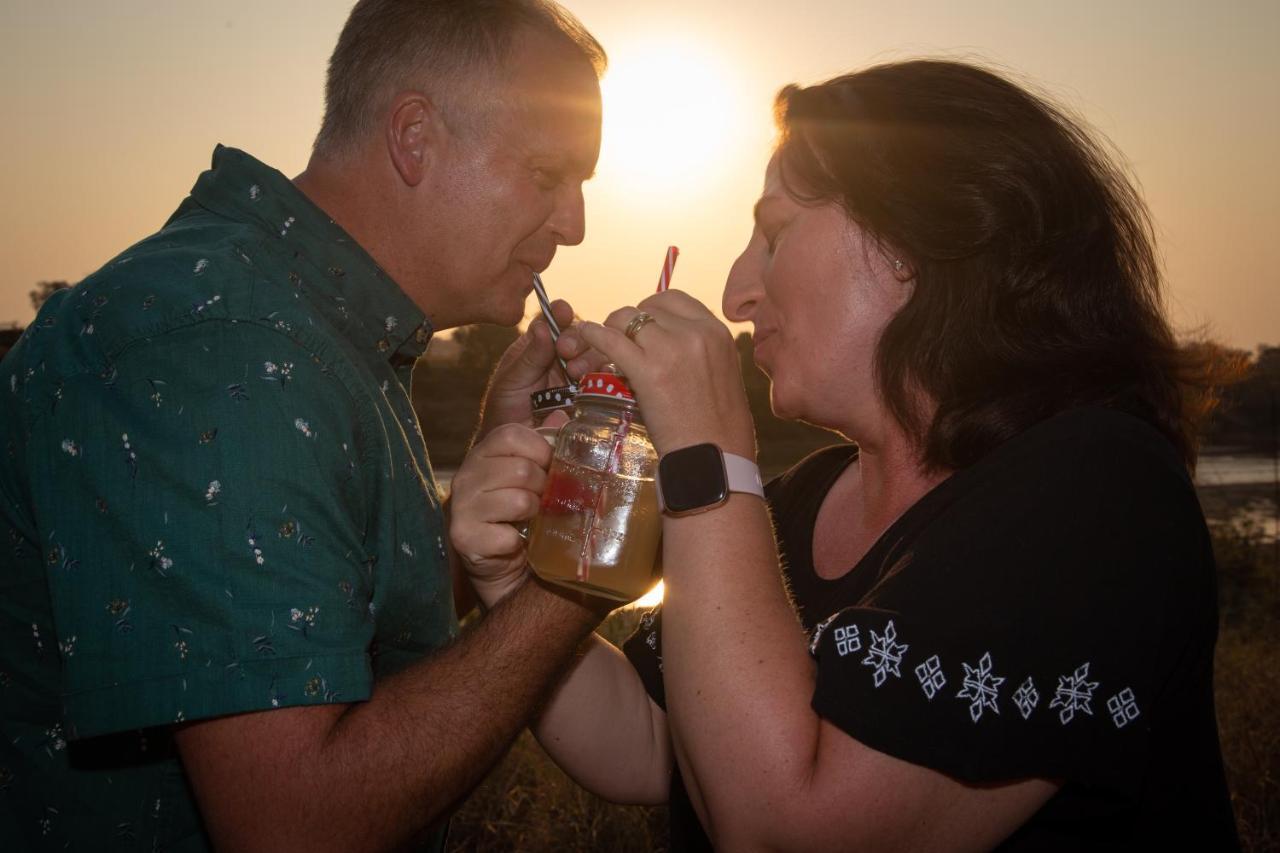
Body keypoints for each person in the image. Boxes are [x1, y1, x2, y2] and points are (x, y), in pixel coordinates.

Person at [450, 60, 1241, 849]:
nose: (736, 295)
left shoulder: (1096, 500)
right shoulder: (802, 500)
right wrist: (508, 581)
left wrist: (711, 453)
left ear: (917, 243)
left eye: (776, 232)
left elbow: (791, 831)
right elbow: (650, 742)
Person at [0, 1, 612, 850]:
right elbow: (294, 823)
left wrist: (482, 498)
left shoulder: (316, 327)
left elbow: (324, 619)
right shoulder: (225, 347)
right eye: (549, 174)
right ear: (414, 135)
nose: (574, 224)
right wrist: (583, 563)